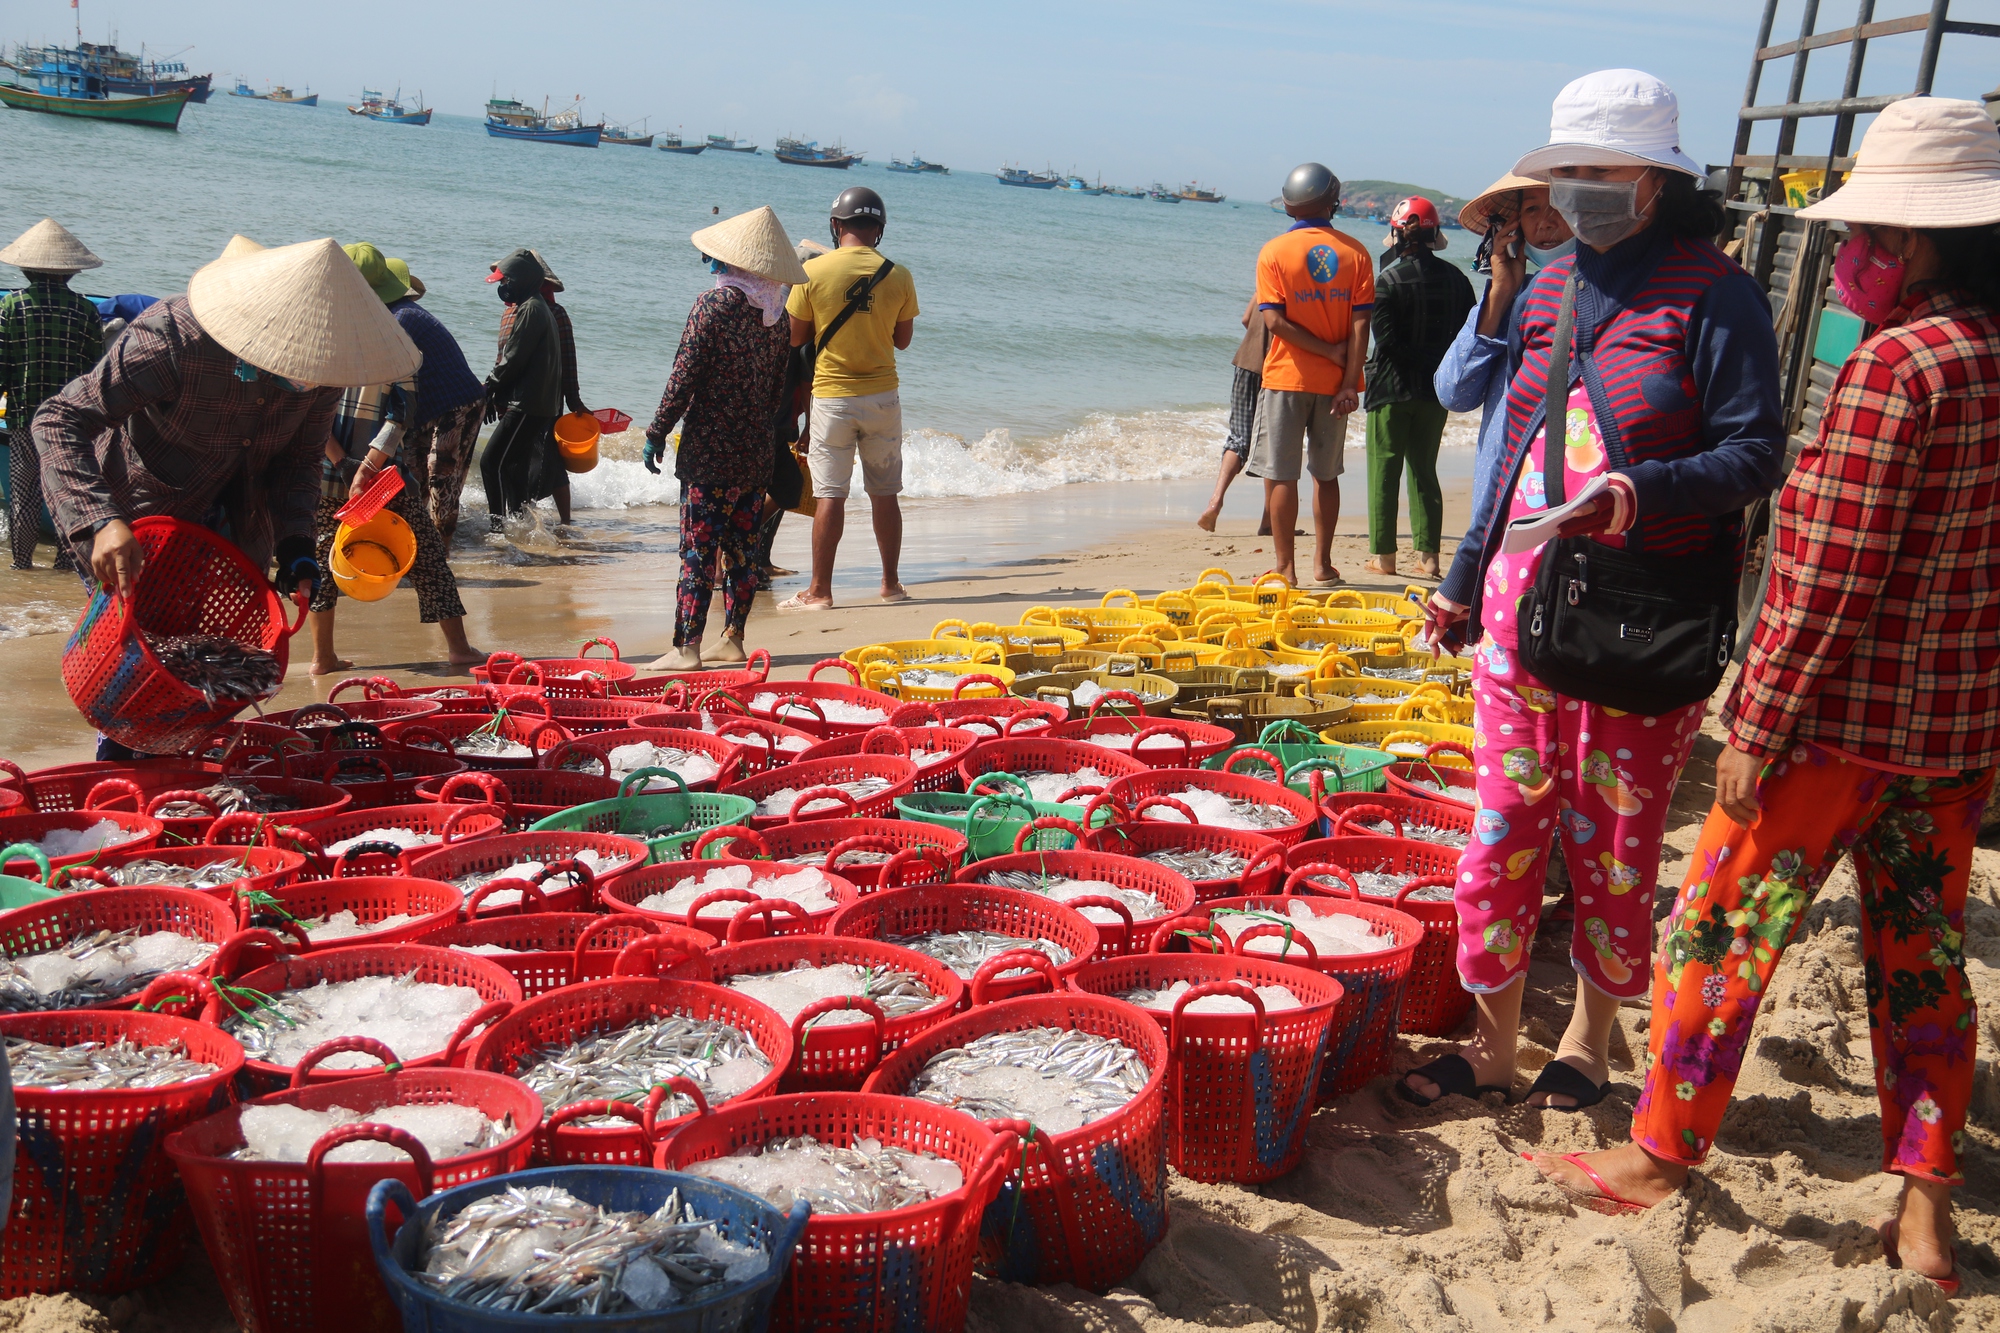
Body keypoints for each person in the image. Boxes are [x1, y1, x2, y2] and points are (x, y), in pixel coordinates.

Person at [1537, 97, 2000, 1294]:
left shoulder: (1898, 368)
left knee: (1721, 932)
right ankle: (1923, 1208)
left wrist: (1754, 720)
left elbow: (1825, 576)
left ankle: (1656, 1156)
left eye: (1873, 240)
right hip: (1954, 732)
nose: (1851, 260)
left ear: (1918, 247)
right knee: (1920, 960)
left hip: (1832, 729)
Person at [1401, 70, 1784, 1112]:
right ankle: (1485, 1045)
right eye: (1562, 171)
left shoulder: (1715, 296)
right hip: (1518, 607)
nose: (1574, 189)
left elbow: (1756, 454)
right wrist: (1458, 580)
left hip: (1642, 611)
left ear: (1654, 181)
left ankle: (1587, 1041)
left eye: (1594, 171)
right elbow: (1511, 451)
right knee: (1499, 824)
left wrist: (1639, 490)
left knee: (1611, 842)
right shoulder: (1549, 286)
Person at [34, 237, 420, 752]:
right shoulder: (172, 338)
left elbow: (299, 462)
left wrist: (297, 546)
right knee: (137, 672)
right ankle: (125, 769)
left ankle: (176, 779)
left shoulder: (324, 368)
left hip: (238, 531)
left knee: (204, 688)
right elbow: (59, 420)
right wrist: (99, 521)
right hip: (138, 523)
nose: (311, 380)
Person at [304, 244, 481, 675]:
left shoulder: (318, 334)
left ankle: (321, 658)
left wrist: (341, 461)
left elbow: (309, 411)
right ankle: (459, 649)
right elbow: (401, 413)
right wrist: (366, 466)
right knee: (426, 557)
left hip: (324, 472)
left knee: (324, 557)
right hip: (382, 477)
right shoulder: (393, 339)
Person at [642, 207, 804, 669]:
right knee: (741, 550)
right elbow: (777, 392)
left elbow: (683, 378)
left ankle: (687, 648)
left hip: (709, 454)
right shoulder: (777, 318)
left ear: (730, 262)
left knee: (697, 549)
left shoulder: (713, 306)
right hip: (755, 455)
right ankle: (733, 639)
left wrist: (656, 432)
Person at [1433, 175, 1576, 599]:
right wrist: (1500, 293)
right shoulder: (1509, 298)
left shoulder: (1607, 298)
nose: (1546, 221)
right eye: (1532, 210)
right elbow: (1453, 393)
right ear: (1512, 231)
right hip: (1498, 505)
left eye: (1559, 206)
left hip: (1565, 498)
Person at [778, 186, 919, 610]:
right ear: (879, 230)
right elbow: (903, 341)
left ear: (836, 226)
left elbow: (795, 336)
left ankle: (820, 591)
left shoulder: (813, 273)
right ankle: (891, 585)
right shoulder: (899, 274)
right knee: (885, 493)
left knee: (830, 495)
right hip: (881, 397)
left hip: (833, 397)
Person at [1245, 163, 1372, 587]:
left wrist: (1324, 350)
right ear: (1332, 201)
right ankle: (1322, 565)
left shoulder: (1273, 252)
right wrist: (1349, 381)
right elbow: (1361, 328)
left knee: (1281, 474)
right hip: (1335, 383)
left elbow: (1276, 323)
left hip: (1286, 378)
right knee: (1326, 474)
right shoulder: (1356, 253)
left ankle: (1286, 568)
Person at [1363, 197, 1475, 579]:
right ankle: (1429, 558)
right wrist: (1437, 367)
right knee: (1424, 470)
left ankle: (1384, 557)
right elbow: (1467, 337)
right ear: (1434, 235)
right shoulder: (1458, 280)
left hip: (1391, 390)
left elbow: (1387, 342)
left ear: (1397, 234)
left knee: (1384, 469)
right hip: (1435, 392)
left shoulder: (1387, 281)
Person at [0, 220, 103, 572]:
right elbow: (93, 372)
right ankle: (65, 564)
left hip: (24, 417)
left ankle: (21, 565)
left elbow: (1, 366)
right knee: (68, 495)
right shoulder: (86, 311)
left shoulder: (11, 308)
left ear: (26, 269)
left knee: (24, 495)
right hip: (70, 422)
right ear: (70, 273)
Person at [387, 256, 486, 546]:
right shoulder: (400, 313)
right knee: (413, 474)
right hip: (431, 408)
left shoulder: (402, 318)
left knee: (440, 478)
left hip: (458, 404)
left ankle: (441, 550)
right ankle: (417, 545)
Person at [492, 248, 586, 527]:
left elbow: (567, 358)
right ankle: (521, 518)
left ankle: (562, 522)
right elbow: (505, 358)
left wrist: (574, 401)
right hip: (516, 400)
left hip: (539, 401)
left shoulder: (553, 312)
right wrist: (498, 395)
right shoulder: (513, 311)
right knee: (516, 462)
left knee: (546, 460)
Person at [479, 248, 562, 529]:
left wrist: (488, 388)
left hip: (527, 404)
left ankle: (497, 528)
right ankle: (519, 524)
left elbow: (513, 360)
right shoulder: (537, 305)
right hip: (538, 404)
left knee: (491, 464)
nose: (502, 288)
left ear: (522, 280)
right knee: (512, 466)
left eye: (506, 282)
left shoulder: (530, 310)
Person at [1197, 297, 1274, 535]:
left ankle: (1215, 501)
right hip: (1276, 369)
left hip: (1245, 362)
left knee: (1238, 438)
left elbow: (1245, 318)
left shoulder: (1266, 276)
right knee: (1276, 448)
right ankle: (1268, 522)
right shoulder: (1301, 281)